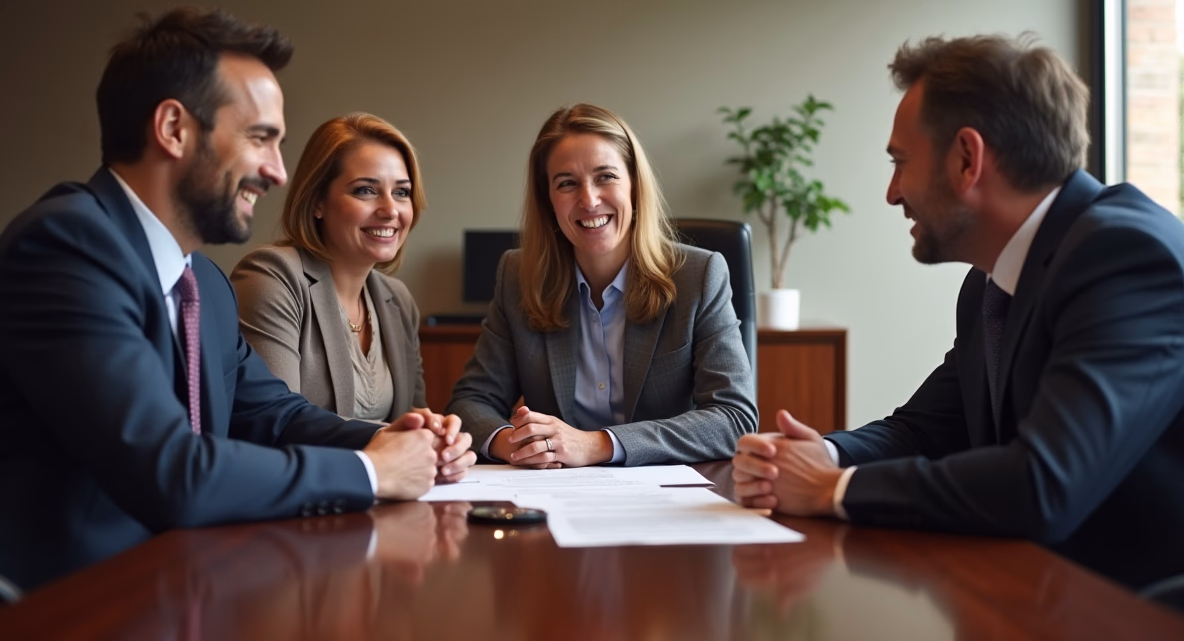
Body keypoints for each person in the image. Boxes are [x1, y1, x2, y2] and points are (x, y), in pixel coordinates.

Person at [0, 7, 463, 591]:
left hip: (176, 586)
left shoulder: (202, 284)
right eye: (260, 137)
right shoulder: (64, 247)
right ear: (174, 129)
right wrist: (371, 470)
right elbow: (170, 472)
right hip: (66, 601)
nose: (278, 172)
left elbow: (272, 414)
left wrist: (391, 437)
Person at [732, 34, 1184, 590]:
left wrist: (833, 489)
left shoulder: (1124, 257)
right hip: (1037, 590)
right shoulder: (990, 283)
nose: (892, 193)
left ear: (967, 159)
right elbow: (924, 431)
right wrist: (821, 453)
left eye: (901, 162)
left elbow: (1044, 483)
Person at [448, 103, 757, 467]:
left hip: (665, 499)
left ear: (635, 187)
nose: (589, 200)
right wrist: (516, 444)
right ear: (548, 202)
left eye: (605, 176)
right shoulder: (518, 275)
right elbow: (470, 403)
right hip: (555, 493)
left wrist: (596, 445)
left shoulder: (698, 275)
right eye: (567, 183)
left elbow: (733, 419)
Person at [230, 113, 472, 482]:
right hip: (298, 507)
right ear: (317, 203)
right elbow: (273, 423)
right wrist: (386, 437)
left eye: (402, 192)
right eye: (365, 190)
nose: (390, 210)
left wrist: (440, 443)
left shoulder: (397, 299)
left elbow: (413, 417)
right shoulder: (271, 276)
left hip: (382, 504)